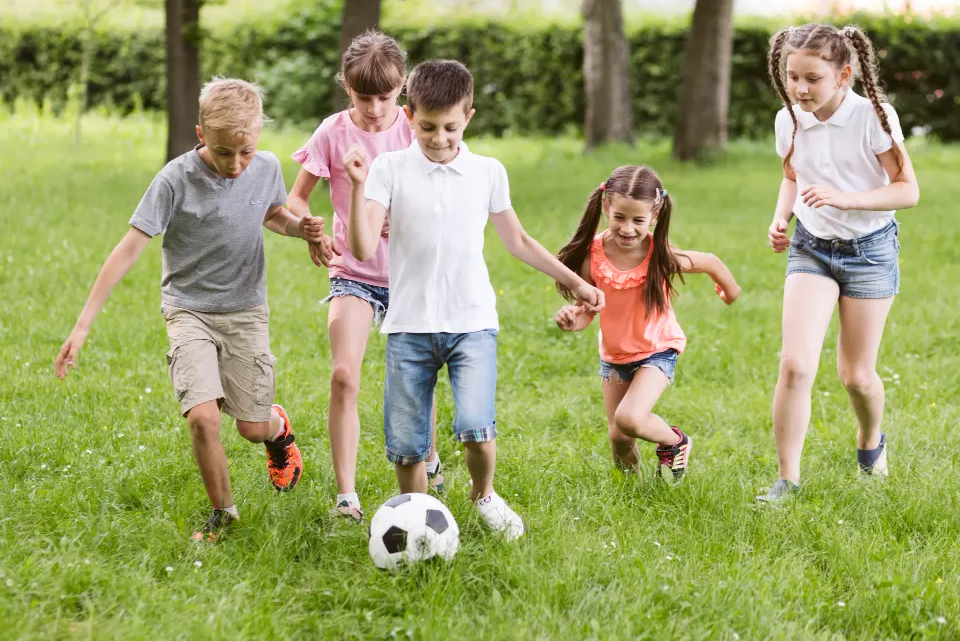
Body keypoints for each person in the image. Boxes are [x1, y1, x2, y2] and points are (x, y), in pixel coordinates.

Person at [344, 59, 605, 540]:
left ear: (469, 117)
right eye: (427, 127)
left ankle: (483, 496)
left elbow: (519, 240)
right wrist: (359, 188)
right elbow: (362, 248)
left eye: (450, 126)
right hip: (408, 325)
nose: (439, 138)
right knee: (406, 445)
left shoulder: (487, 171)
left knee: (476, 428)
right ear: (408, 116)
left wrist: (578, 282)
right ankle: (419, 516)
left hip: (472, 322)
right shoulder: (388, 168)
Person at [54, 77, 322, 540]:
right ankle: (224, 514)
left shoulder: (266, 168)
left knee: (252, 428)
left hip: (245, 310)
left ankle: (277, 432)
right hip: (188, 311)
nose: (236, 165)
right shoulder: (173, 180)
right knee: (203, 417)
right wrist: (82, 327)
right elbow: (128, 248)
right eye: (223, 153)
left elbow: (273, 215)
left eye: (246, 152)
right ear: (201, 134)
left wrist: (304, 230)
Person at [757, 23, 920, 503]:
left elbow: (907, 191)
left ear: (843, 75)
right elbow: (792, 174)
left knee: (856, 376)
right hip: (812, 246)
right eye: (792, 77)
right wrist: (780, 216)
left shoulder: (872, 116)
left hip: (869, 251)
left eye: (812, 78)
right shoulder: (788, 119)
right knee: (795, 364)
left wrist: (844, 198)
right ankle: (787, 480)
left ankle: (871, 443)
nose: (800, 88)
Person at [286, 31, 442, 522]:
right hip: (352, 271)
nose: (375, 108)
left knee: (416, 381)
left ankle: (429, 457)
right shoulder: (331, 133)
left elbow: (446, 191)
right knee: (343, 376)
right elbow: (296, 200)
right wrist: (308, 228)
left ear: (403, 90)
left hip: (410, 274)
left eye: (386, 96)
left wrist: (411, 216)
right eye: (363, 96)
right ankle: (347, 497)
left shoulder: (419, 131)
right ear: (346, 87)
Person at [553, 165, 740, 479]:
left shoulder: (658, 254)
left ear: (654, 216)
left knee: (630, 418)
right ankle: (632, 495)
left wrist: (729, 293)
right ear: (606, 209)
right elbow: (588, 309)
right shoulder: (592, 256)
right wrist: (574, 318)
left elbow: (710, 261)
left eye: (638, 220)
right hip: (614, 355)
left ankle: (675, 441)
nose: (628, 228)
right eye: (620, 218)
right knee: (619, 437)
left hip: (657, 349)